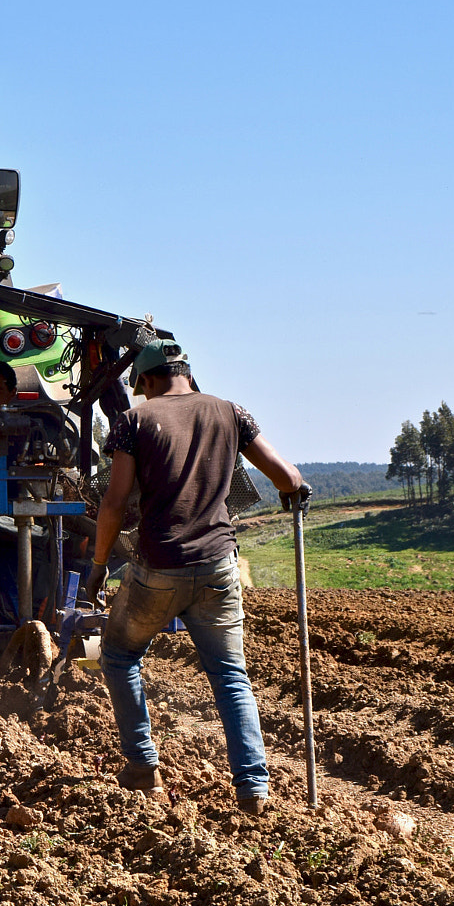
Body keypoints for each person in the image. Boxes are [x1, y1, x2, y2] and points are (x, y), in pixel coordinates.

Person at [85, 338, 309, 814]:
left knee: (121, 654)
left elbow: (114, 504)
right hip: (219, 566)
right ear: (186, 371)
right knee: (230, 675)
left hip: (159, 566)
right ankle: (253, 787)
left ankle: (144, 770)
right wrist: (297, 489)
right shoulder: (231, 411)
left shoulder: (133, 421)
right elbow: (286, 477)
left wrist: (99, 565)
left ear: (144, 381)